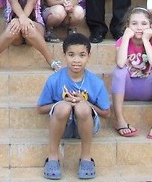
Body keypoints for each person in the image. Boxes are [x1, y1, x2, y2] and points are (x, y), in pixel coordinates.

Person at [37, 33, 110, 181]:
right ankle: (53, 157)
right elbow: (40, 108)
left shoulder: (96, 82)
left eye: (82, 55)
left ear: (88, 56)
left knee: (82, 108)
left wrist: (86, 103)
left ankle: (86, 158)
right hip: (62, 127)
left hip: (87, 126)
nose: (76, 60)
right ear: (64, 55)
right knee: (63, 107)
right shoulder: (54, 79)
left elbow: (106, 112)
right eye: (71, 55)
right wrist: (63, 103)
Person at [112, 7, 152, 139]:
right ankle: (119, 120)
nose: (139, 27)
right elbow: (120, 63)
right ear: (127, 26)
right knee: (119, 71)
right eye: (134, 23)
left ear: (151, 27)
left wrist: (146, 41)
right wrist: (125, 38)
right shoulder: (122, 41)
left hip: (148, 90)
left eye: (143, 24)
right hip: (128, 89)